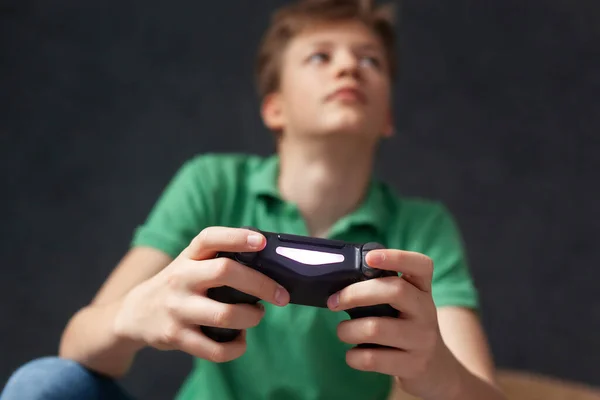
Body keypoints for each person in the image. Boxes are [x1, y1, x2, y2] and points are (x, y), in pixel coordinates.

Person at [1, 0, 507, 399]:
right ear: (275, 108)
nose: (349, 68)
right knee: (45, 385)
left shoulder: (422, 227)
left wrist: (437, 373)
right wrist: (134, 314)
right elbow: (78, 345)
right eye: (320, 56)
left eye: (370, 60)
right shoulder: (212, 183)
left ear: (388, 118)